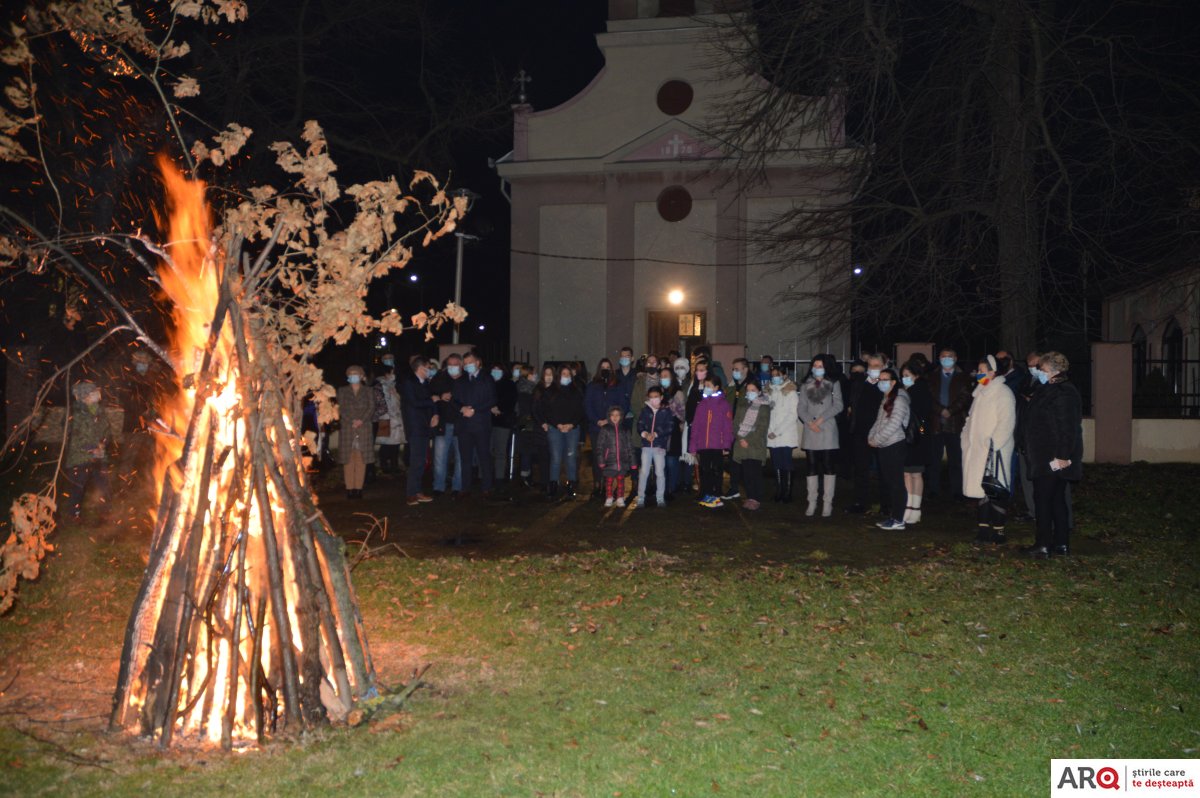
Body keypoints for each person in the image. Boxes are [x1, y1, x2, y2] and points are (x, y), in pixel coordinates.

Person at [1021, 351, 1083, 558]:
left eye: (1043, 369)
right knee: (1054, 499)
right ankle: (1060, 543)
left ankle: (1044, 544)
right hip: (1045, 455)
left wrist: (1063, 456)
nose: (1039, 372)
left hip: (1052, 457)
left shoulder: (1064, 392)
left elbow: (1067, 428)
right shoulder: (1050, 389)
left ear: (1055, 371)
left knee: (1045, 500)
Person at [960, 355, 1017, 543]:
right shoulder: (980, 392)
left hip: (994, 451)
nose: (979, 374)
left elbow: (1006, 422)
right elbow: (970, 419)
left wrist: (993, 444)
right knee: (981, 491)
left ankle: (999, 531)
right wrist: (965, 439)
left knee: (995, 490)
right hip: (977, 450)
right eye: (978, 370)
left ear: (992, 372)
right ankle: (983, 530)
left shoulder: (1003, 392)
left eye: (982, 370)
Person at [797, 356, 843, 517]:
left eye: (820, 365)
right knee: (811, 466)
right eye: (815, 365)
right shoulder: (805, 384)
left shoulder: (833, 383)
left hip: (827, 428)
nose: (817, 367)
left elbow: (838, 405)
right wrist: (810, 422)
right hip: (811, 429)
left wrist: (821, 420)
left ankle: (827, 502)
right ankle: (812, 502)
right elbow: (801, 407)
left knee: (829, 466)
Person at [62, 380, 113, 521]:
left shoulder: (99, 410)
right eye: (93, 393)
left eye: (96, 392)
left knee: (103, 485)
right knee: (78, 487)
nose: (97, 395)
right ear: (84, 397)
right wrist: (92, 449)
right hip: (80, 457)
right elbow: (76, 437)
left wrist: (103, 444)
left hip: (99, 456)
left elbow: (106, 430)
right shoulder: (75, 413)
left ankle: (105, 513)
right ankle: (74, 515)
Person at [867, 368, 911, 530]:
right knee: (890, 482)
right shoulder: (886, 398)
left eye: (885, 379)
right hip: (885, 445)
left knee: (896, 483)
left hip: (894, 444)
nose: (881, 382)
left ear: (893, 382)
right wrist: (871, 437)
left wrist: (877, 439)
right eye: (880, 379)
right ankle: (894, 516)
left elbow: (893, 424)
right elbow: (879, 421)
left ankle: (898, 519)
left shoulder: (899, 399)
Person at [929, 348, 974, 501]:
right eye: (943, 356)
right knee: (933, 459)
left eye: (949, 356)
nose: (946, 359)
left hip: (955, 424)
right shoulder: (932, 376)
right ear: (939, 358)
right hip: (935, 423)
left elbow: (966, 396)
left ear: (955, 358)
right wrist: (941, 410)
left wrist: (951, 410)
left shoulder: (963, 377)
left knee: (956, 460)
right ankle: (933, 490)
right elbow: (928, 397)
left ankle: (957, 491)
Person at [452, 351, 498, 497]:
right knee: (465, 458)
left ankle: (486, 487)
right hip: (464, 425)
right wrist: (462, 408)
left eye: (470, 362)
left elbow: (491, 400)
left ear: (478, 363)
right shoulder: (461, 380)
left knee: (484, 456)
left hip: (481, 424)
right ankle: (465, 488)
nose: (467, 366)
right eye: (465, 364)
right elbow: (454, 400)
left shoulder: (487, 379)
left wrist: (475, 410)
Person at [846, 354, 886, 514]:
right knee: (861, 469)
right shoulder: (859, 384)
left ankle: (886, 504)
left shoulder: (887, 385)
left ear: (884, 366)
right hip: (861, 433)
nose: (874, 369)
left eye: (877, 365)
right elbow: (853, 403)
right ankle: (860, 502)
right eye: (871, 366)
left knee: (884, 470)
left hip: (882, 433)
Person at [542, 365, 586, 499]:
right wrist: (557, 424)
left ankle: (571, 485)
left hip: (572, 428)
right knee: (555, 457)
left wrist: (571, 424)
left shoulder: (576, 391)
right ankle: (553, 485)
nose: (565, 377)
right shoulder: (551, 391)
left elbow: (580, 411)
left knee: (571, 457)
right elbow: (547, 410)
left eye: (568, 374)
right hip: (555, 428)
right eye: (563, 374)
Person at [689, 376, 733, 507]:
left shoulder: (724, 405)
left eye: (709, 385)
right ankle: (705, 493)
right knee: (704, 470)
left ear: (716, 387)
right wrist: (693, 445)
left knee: (716, 471)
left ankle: (716, 494)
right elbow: (696, 425)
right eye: (705, 385)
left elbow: (727, 426)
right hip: (704, 444)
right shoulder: (702, 404)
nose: (706, 388)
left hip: (717, 444)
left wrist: (726, 444)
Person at [900, 361, 934, 524]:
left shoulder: (919, 391)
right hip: (909, 437)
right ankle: (909, 506)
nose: (904, 379)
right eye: (903, 376)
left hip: (917, 437)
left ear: (916, 375)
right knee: (907, 473)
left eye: (907, 376)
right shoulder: (906, 391)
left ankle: (915, 508)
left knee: (915, 473)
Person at [400, 356, 437, 505]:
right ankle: (411, 493)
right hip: (415, 427)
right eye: (428, 367)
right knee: (416, 461)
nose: (430, 370)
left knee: (421, 461)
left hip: (425, 426)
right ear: (420, 368)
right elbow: (414, 403)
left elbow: (432, 401)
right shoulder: (409, 383)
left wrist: (435, 414)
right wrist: (431, 401)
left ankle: (417, 491)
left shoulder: (426, 383)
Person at [731, 378, 771, 510]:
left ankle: (756, 498)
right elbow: (735, 423)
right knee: (746, 473)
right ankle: (749, 497)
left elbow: (762, 428)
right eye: (748, 390)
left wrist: (748, 440)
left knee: (755, 473)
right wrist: (740, 438)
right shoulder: (742, 405)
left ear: (759, 391)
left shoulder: (764, 407)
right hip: (742, 445)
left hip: (755, 445)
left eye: (753, 390)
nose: (750, 392)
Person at [585, 359, 623, 498]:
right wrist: (597, 421)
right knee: (597, 457)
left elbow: (621, 405)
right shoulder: (592, 386)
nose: (605, 369)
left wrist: (610, 420)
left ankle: (608, 485)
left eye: (608, 367)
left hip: (612, 427)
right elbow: (588, 405)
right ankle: (597, 485)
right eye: (603, 367)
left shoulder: (617, 385)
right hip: (596, 428)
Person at [336, 365, 375, 499]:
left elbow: (371, 407)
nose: (353, 376)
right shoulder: (342, 391)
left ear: (361, 376)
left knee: (361, 459)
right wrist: (351, 421)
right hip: (348, 428)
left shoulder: (368, 391)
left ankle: (358, 489)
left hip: (364, 428)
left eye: (356, 373)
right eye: (350, 374)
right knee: (348, 459)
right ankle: (349, 489)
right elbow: (340, 408)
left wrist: (361, 420)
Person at [635, 384, 675, 508]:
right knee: (644, 472)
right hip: (646, 446)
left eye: (656, 396)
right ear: (648, 397)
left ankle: (660, 497)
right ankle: (641, 497)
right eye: (651, 397)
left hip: (659, 446)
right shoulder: (645, 410)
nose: (654, 399)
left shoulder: (666, 411)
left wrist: (656, 434)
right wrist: (645, 434)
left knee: (660, 472)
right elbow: (639, 425)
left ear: (661, 397)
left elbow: (669, 427)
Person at [430, 354, 463, 496]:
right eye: (450, 365)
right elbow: (430, 394)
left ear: (461, 365)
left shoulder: (467, 380)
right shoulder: (440, 378)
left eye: (455, 365)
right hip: (443, 423)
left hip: (461, 424)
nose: (452, 368)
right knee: (439, 457)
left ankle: (457, 487)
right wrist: (438, 398)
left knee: (460, 458)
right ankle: (438, 486)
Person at [766, 365, 799, 503]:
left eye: (777, 375)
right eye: (772, 375)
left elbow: (792, 415)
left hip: (785, 434)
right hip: (771, 434)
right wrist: (770, 431)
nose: (775, 378)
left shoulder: (790, 392)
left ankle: (788, 492)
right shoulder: (769, 392)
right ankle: (779, 490)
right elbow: (766, 413)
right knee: (776, 464)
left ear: (784, 376)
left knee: (786, 463)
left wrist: (777, 431)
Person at [596, 405, 636, 507]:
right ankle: (609, 497)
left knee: (621, 481)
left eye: (617, 415)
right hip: (609, 461)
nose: (615, 417)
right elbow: (599, 446)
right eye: (612, 415)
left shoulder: (625, 430)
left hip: (622, 462)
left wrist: (633, 462)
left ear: (621, 416)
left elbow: (630, 447)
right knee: (608, 481)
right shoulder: (605, 429)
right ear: (609, 416)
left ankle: (620, 498)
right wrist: (601, 460)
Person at [660, 366, 687, 499]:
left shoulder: (678, 393)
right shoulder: (659, 392)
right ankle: (663, 488)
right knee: (662, 461)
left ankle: (672, 487)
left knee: (671, 461)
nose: (663, 379)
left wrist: (669, 408)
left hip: (674, 430)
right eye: (662, 377)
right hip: (661, 431)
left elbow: (682, 414)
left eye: (666, 376)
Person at [489, 362, 518, 483]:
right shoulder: (488, 383)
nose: (496, 372)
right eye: (493, 369)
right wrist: (490, 407)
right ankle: (486, 476)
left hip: (503, 421)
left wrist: (499, 409)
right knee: (488, 450)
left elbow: (510, 401)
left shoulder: (509, 384)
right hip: (488, 421)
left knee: (500, 451)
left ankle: (499, 478)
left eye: (498, 369)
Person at [373, 369, 405, 474]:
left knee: (395, 444)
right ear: (386, 374)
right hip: (385, 418)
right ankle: (384, 465)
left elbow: (402, 401)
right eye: (391, 373)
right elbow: (378, 403)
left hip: (397, 418)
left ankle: (394, 465)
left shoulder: (395, 385)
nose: (392, 375)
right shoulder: (379, 386)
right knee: (386, 443)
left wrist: (396, 394)